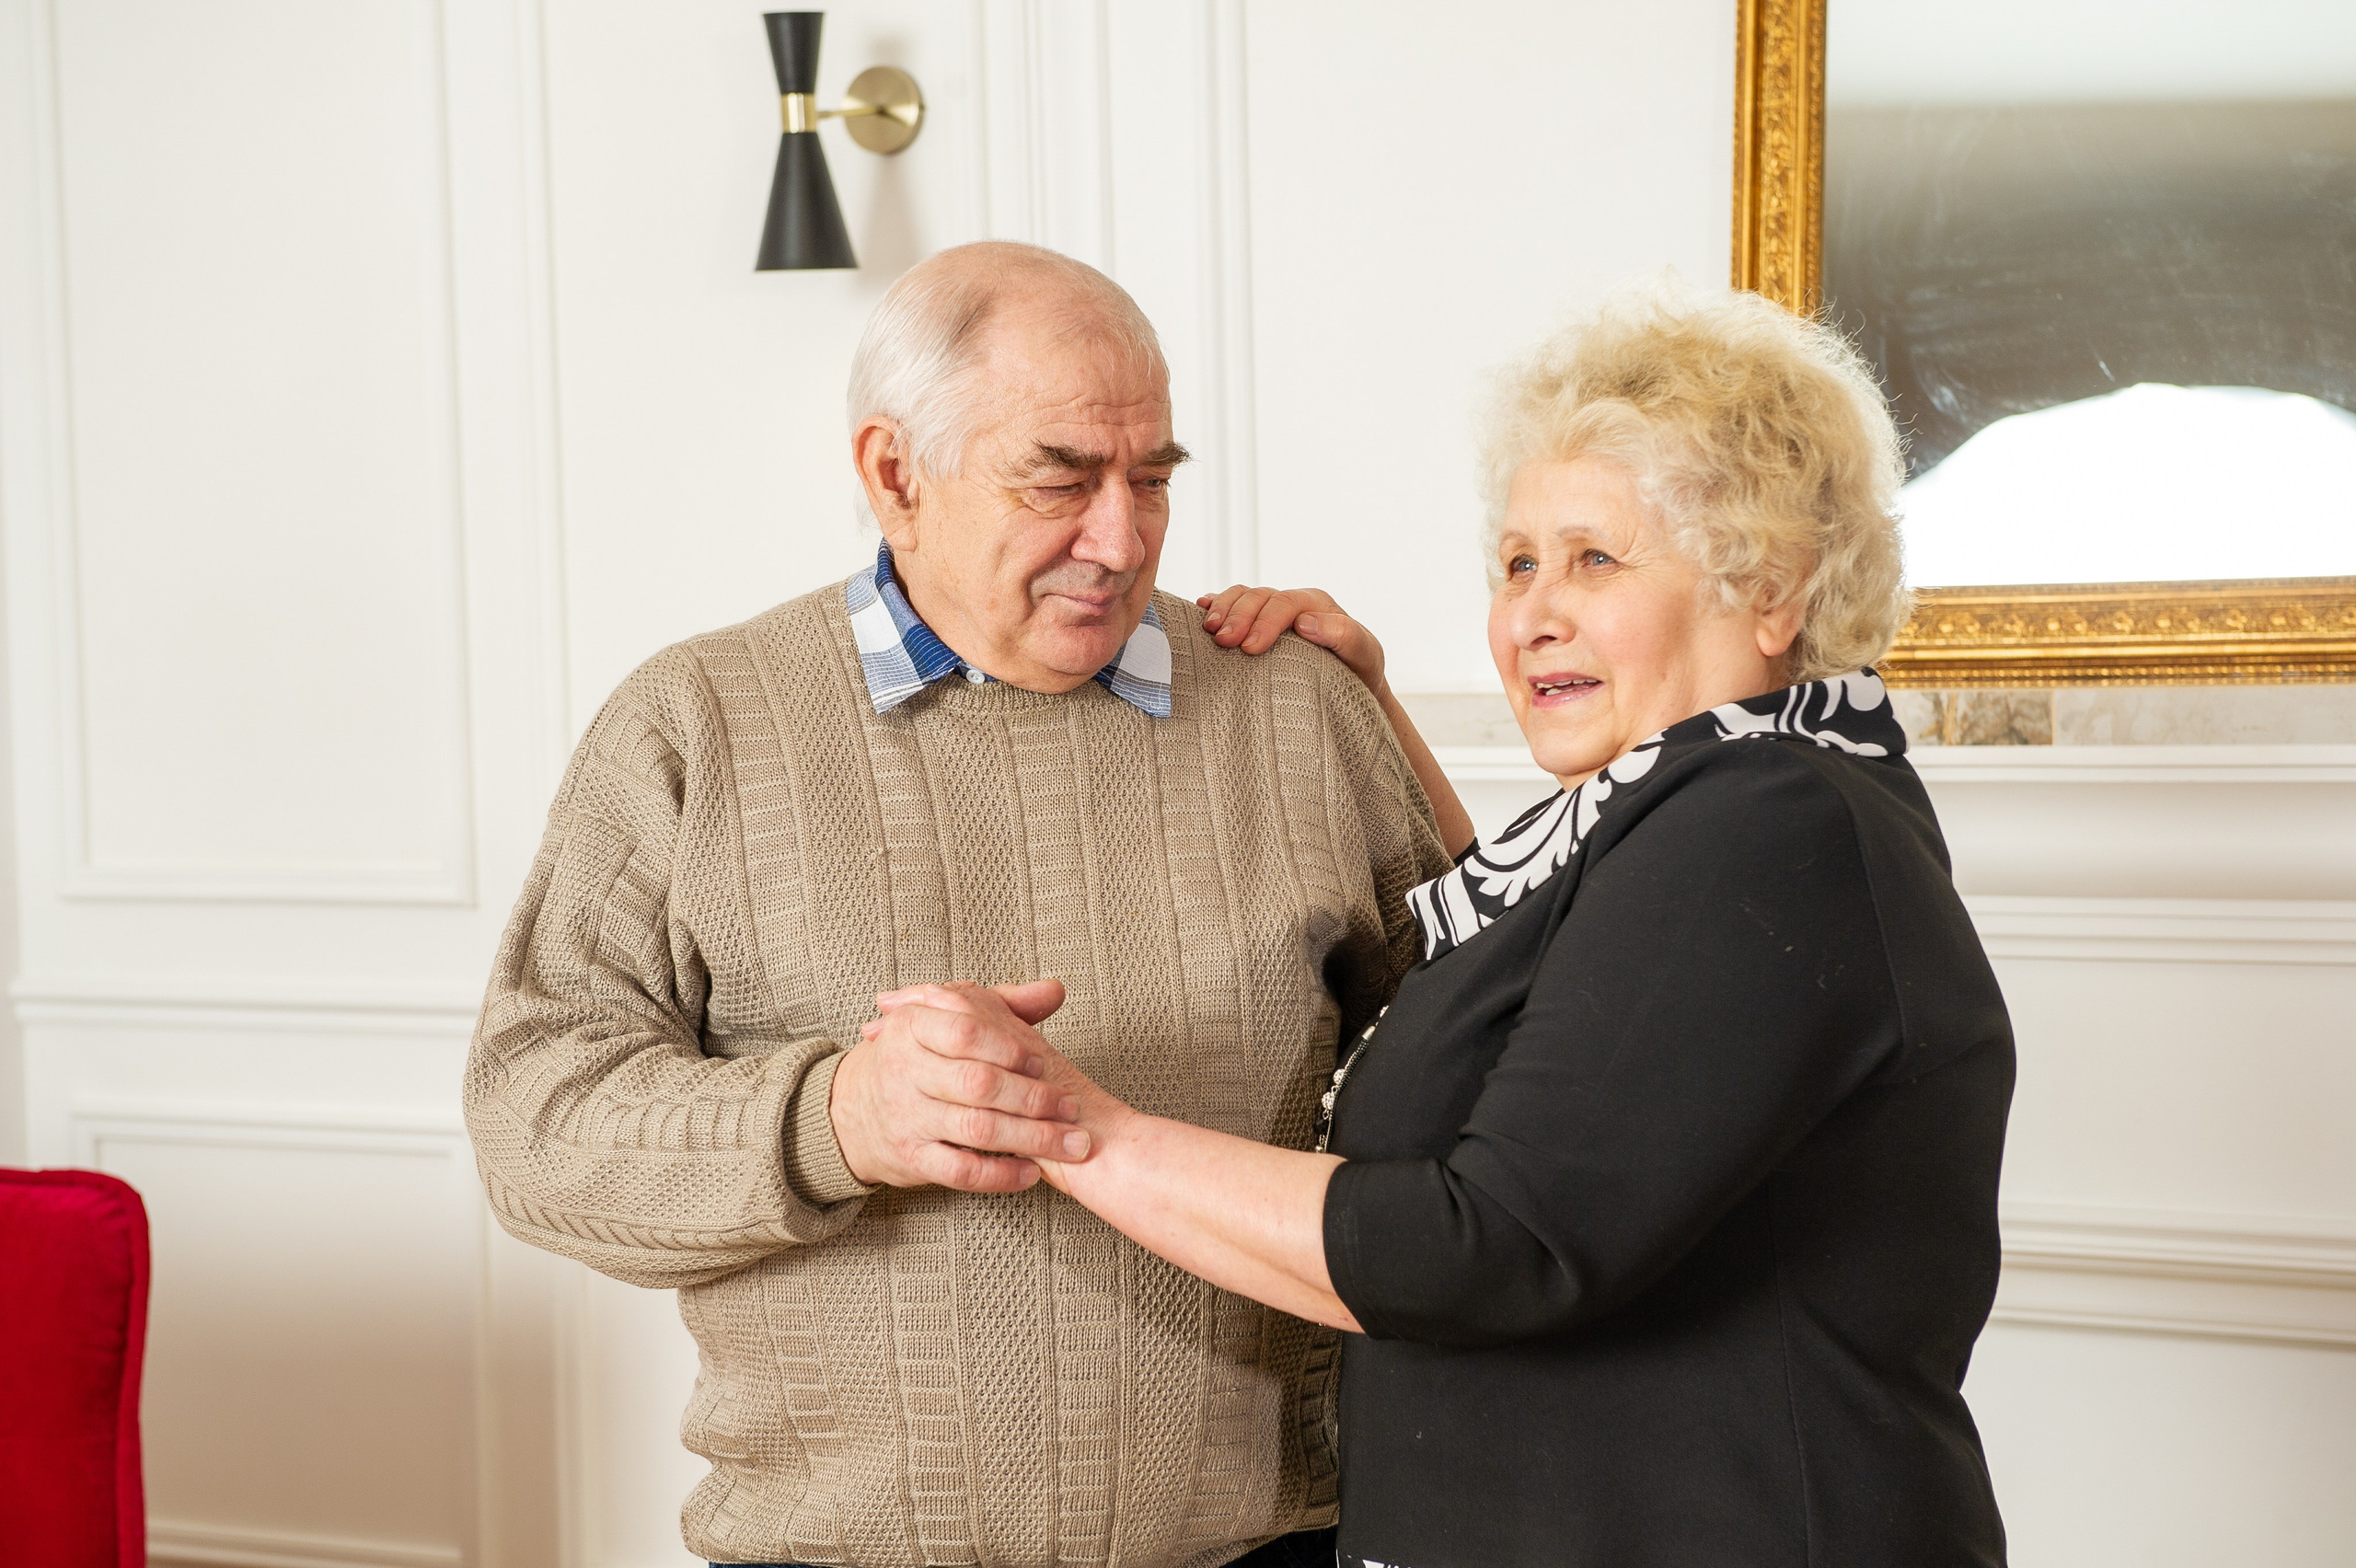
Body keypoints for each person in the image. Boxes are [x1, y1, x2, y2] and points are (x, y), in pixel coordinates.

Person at [884, 286, 2017, 1567]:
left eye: (1595, 559)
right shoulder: (1706, 817)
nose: (1533, 611)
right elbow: (1564, 1019)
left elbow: (1495, 1246)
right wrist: (1372, 704)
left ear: (1772, 591)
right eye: (1519, 563)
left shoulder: (1771, 823)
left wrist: (1073, 1129)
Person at [461, 241, 1457, 1568]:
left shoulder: (1294, 699)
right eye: (1060, 477)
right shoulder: (694, 722)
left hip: (1280, 1547)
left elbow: (1506, 1071)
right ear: (894, 473)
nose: (1122, 537)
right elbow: (536, 1125)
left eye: (1152, 478)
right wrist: (840, 1118)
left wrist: (1377, 706)